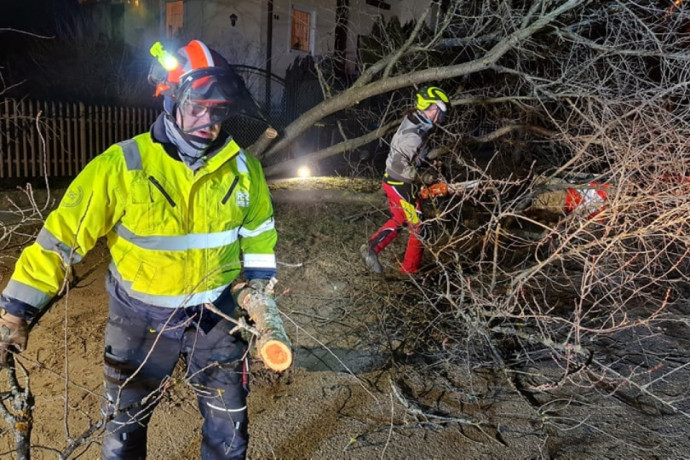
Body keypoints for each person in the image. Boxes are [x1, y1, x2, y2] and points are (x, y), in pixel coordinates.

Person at [0, 39, 277, 459]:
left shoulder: (244, 169)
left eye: (218, 110)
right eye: (197, 108)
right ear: (170, 100)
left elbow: (259, 234)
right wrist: (16, 310)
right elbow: (62, 239)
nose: (209, 121)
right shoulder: (123, 165)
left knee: (230, 431)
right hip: (138, 320)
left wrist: (258, 293)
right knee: (123, 432)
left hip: (217, 317)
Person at [360, 86, 450, 275]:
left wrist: (427, 166)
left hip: (393, 183)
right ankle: (410, 272)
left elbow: (411, 156)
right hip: (400, 185)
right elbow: (400, 163)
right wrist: (423, 177)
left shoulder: (417, 122)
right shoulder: (414, 133)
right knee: (419, 227)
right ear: (433, 108)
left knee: (400, 218)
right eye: (441, 112)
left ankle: (371, 248)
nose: (442, 118)